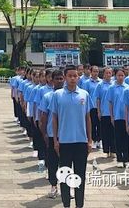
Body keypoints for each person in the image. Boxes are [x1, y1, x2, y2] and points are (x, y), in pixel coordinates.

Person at [51, 65, 93, 208]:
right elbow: (54, 119)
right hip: (64, 142)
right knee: (64, 175)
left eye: (75, 76)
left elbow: (88, 118)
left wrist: (90, 140)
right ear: (65, 77)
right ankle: (66, 204)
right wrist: (56, 140)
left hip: (81, 141)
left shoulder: (84, 94)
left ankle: (79, 204)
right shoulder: (57, 95)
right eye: (70, 76)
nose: (73, 78)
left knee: (80, 175)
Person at [39, 69, 64, 199]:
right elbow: (44, 117)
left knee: (66, 162)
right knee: (53, 162)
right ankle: (54, 186)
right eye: (57, 79)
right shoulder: (48, 96)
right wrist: (44, 133)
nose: (60, 81)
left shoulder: (67, 95)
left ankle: (67, 187)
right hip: (52, 134)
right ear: (52, 80)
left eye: (61, 78)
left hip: (67, 135)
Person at [108, 68, 129, 169]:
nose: (120, 77)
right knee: (118, 138)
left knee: (127, 139)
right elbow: (110, 103)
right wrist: (112, 116)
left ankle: (126, 158)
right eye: (118, 75)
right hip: (117, 117)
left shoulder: (128, 88)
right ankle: (119, 159)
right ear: (115, 76)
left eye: (122, 75)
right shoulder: (112, 88)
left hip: (127, 118)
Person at [94, 67, 115, 158]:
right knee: (105, 133)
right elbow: (98, 99)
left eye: (110, 73)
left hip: (113, 113)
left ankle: (113, 150)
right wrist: (98, 111)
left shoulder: (114, 84)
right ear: (103, 74)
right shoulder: (100, 85)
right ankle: (106, 150)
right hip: (104, 112)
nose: (108, 75)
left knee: (113, 133)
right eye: (106, 73)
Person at [81, 66, 101, 149]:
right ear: (91, 72)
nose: (95, 73)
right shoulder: (86, 83)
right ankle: (93, 139)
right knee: (92, 124)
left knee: (99, 124)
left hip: (99, 107)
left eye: (97, 71)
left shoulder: (101, 82)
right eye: (94, 71)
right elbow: (84, 95)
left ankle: (99, 141)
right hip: (91, 107)